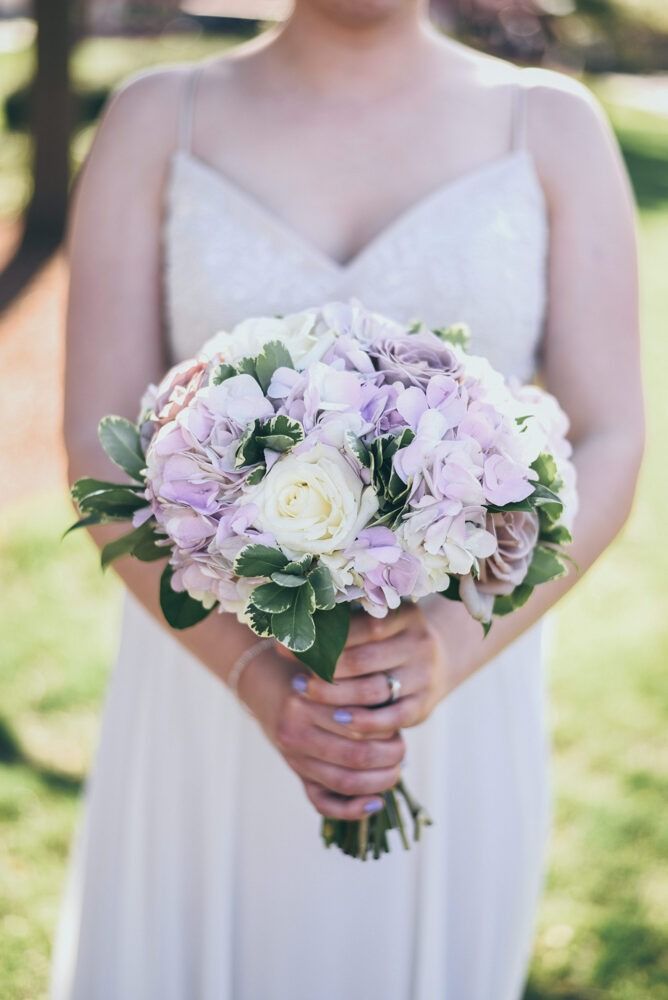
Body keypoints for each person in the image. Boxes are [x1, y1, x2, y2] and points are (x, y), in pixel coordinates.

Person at [51, 1, 644, 997]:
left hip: (452, 688)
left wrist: (451, 642)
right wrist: (252, 676)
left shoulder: (549, 125)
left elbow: (612, 436)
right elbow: (95, 447)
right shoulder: (158, 118)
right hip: (207, 684)